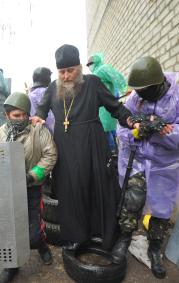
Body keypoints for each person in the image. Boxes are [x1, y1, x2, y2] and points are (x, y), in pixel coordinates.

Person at [31, 44, 134, 251]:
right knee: (70, 191)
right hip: (64, 147)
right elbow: (41, 109)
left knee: (97, 186)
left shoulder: (92, 82)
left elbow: (115, 107)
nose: (67, 76)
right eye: (62, 72)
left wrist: (130, 119)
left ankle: (100, 233)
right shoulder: (52, 87)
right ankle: (77, 236)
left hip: (92, 143)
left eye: (71, 70)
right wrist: (38, 118)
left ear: (79, 67)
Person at [111, 56, 179, 279]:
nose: (139, 94)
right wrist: (137, 131)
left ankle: (155, 248)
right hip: (137, 159)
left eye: (143, 90)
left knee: (162, 207)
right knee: (132, 199)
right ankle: (125, 238)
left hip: (166, 164)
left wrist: (161, 130)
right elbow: (123, 131)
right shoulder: (135, 100)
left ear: (156, 84)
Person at [0, 92, 57, 283]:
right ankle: (12, 265)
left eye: (23, 115)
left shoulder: (38, 131)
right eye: (16, 115)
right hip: (8, 190)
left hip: (32, 188)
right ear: (7, 115)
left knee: (34, 231)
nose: (20, 119)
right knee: (11, 229)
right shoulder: (0, 134)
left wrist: (32, 176)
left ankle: (41, 245)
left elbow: (50, 155)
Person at [86, 53, 128, 151]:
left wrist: (125, 89)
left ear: (96, 61)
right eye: (87, 65)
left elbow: (116, 77)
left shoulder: (103, 68)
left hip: (106, 106)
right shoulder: (96, 73)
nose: (89, 66)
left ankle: (113, 154)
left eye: (90, 64)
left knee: (109, 131)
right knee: (106, 131)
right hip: (101, 108)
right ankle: (111, 154)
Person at [29, 67, 55, 134]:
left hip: (36, 131)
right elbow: (51, 118)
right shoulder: (51, 93)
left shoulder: (30, 95)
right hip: (53, 132)